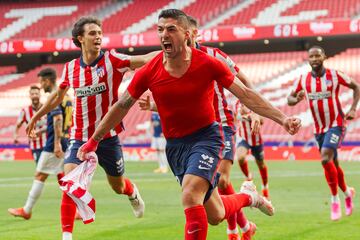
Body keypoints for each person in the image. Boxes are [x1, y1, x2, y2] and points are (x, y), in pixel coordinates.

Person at [78, 9, 301, 240]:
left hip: (207, 138)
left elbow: (245, 93)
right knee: (216, 214)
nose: (164, 34)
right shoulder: (149, 70)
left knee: (190, 195)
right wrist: (94, 140)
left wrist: (282, 119)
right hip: (175, 146)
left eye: (171, 29)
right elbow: (122, 105)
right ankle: (249, 197)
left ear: (187, 34)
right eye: (160, 30)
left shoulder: (208, 63)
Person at [25, 16, 159, 240]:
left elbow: (144, 59)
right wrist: (35, 116)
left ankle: (132, 193)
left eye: (100, 33)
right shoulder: (69, 69)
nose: (98, 37)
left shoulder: (113, 60)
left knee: (117, 186)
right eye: (92, 33)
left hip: (108, 137)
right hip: (79, 138)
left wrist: (173, 50)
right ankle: (66, 236)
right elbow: (57, 97)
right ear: (80, 39)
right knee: (69, 184)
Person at [138, 15, 261, 240]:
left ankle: (234, 231)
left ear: (193, 34)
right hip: (191, 135)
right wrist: (155, 106)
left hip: (221, 126)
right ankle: (245, 217)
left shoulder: (214, 56)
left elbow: (243, 83)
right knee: (213, 211)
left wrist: (252, 111)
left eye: (191, 33)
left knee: (222, 180)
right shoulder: (173, 62)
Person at [287, 45, 359, 221]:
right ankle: (347, 193)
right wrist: (296, 99)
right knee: (333, 163)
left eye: (317, 56)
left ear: (324, 57)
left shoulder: (334, 75)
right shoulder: (303, 79)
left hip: (336, 124)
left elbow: (357, 87)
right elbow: (289, 99)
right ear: (308, 59)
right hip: (319, 129)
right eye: (311, 56)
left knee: (325, 158)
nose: (314, 59)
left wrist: (352, 109)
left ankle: (335, 200)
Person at [8, 68, 69, 220]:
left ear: (48, 81)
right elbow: (58, 121)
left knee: (40, 175)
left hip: (54, 144)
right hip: (64, 140)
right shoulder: (66, 95)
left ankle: (27, 210)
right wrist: (42, 132)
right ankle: (80, 209)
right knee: (65, 179)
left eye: (42, 82)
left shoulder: (55, 95)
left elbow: (58, 120)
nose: (41, 86)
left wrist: (55, 144)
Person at [235, 101, 270, 199]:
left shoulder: (254, 102)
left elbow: (262, 121)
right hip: (243, 138)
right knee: (240, 157)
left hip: (256, 139)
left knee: (261, 164)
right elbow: (234, 118)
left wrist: (249, 114)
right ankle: (248, 177)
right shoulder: (237, 104)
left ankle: (265, 188)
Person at [14, 85, 47, 164]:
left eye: (36, 93)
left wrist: (41, 131)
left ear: (40, 95)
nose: (34, 96)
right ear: (29, 96)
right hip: (35, 146)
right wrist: (15, 135)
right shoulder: (25, 111)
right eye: (32, 94)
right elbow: (18, 125)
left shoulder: (46, 108)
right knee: (39, 169)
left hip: (48, 144)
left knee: (56, 169)